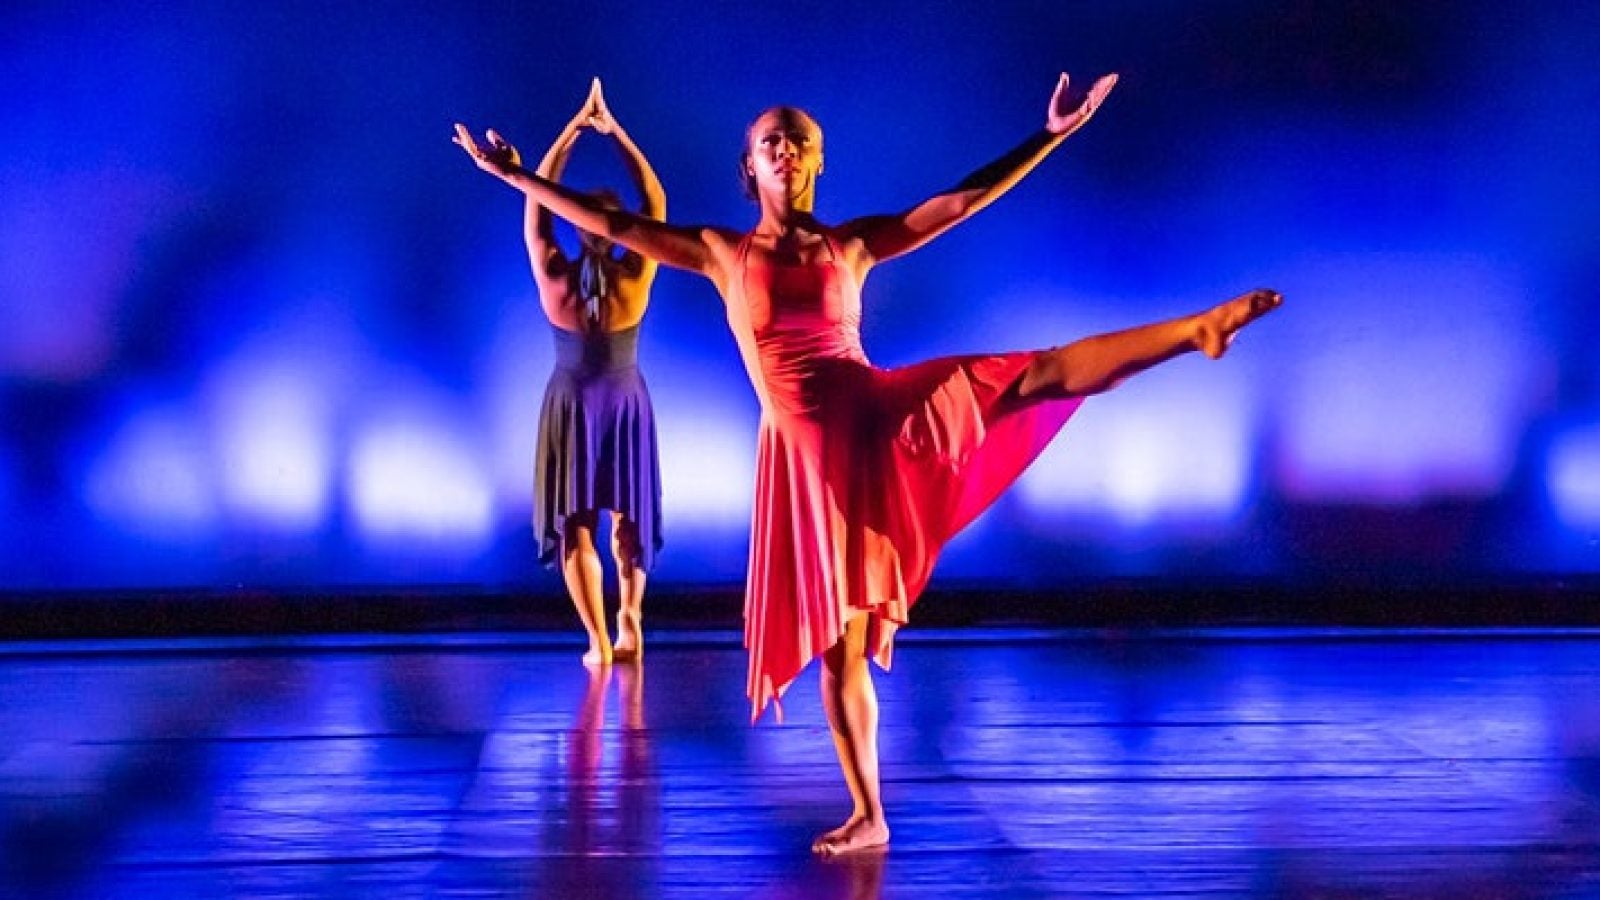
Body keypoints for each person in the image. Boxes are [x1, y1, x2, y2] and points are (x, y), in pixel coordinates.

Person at [454, 71, 1281, 854]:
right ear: (750, 166)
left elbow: (954, 205)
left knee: (1034, 373)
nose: (785, 147)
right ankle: (869, 814)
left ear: (816, 161)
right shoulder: (719, 252)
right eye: (771, 140)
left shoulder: (849, 247)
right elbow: (615, 225)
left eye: (799, 139)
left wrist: (1049, 135)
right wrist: (514, 180)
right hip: (807, 463)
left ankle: (1193, 330)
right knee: (842, 653)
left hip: (875, 418)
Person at [523, 79, 665, 666]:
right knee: (606, 520)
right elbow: (652, 203)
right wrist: (611, 132)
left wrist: (576, 131)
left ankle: (610, 633)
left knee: (589, 522)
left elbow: (539, 207)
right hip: (612, 400)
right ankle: (615, 628)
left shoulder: (564, 271)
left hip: (584, 401)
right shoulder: (633, 273)